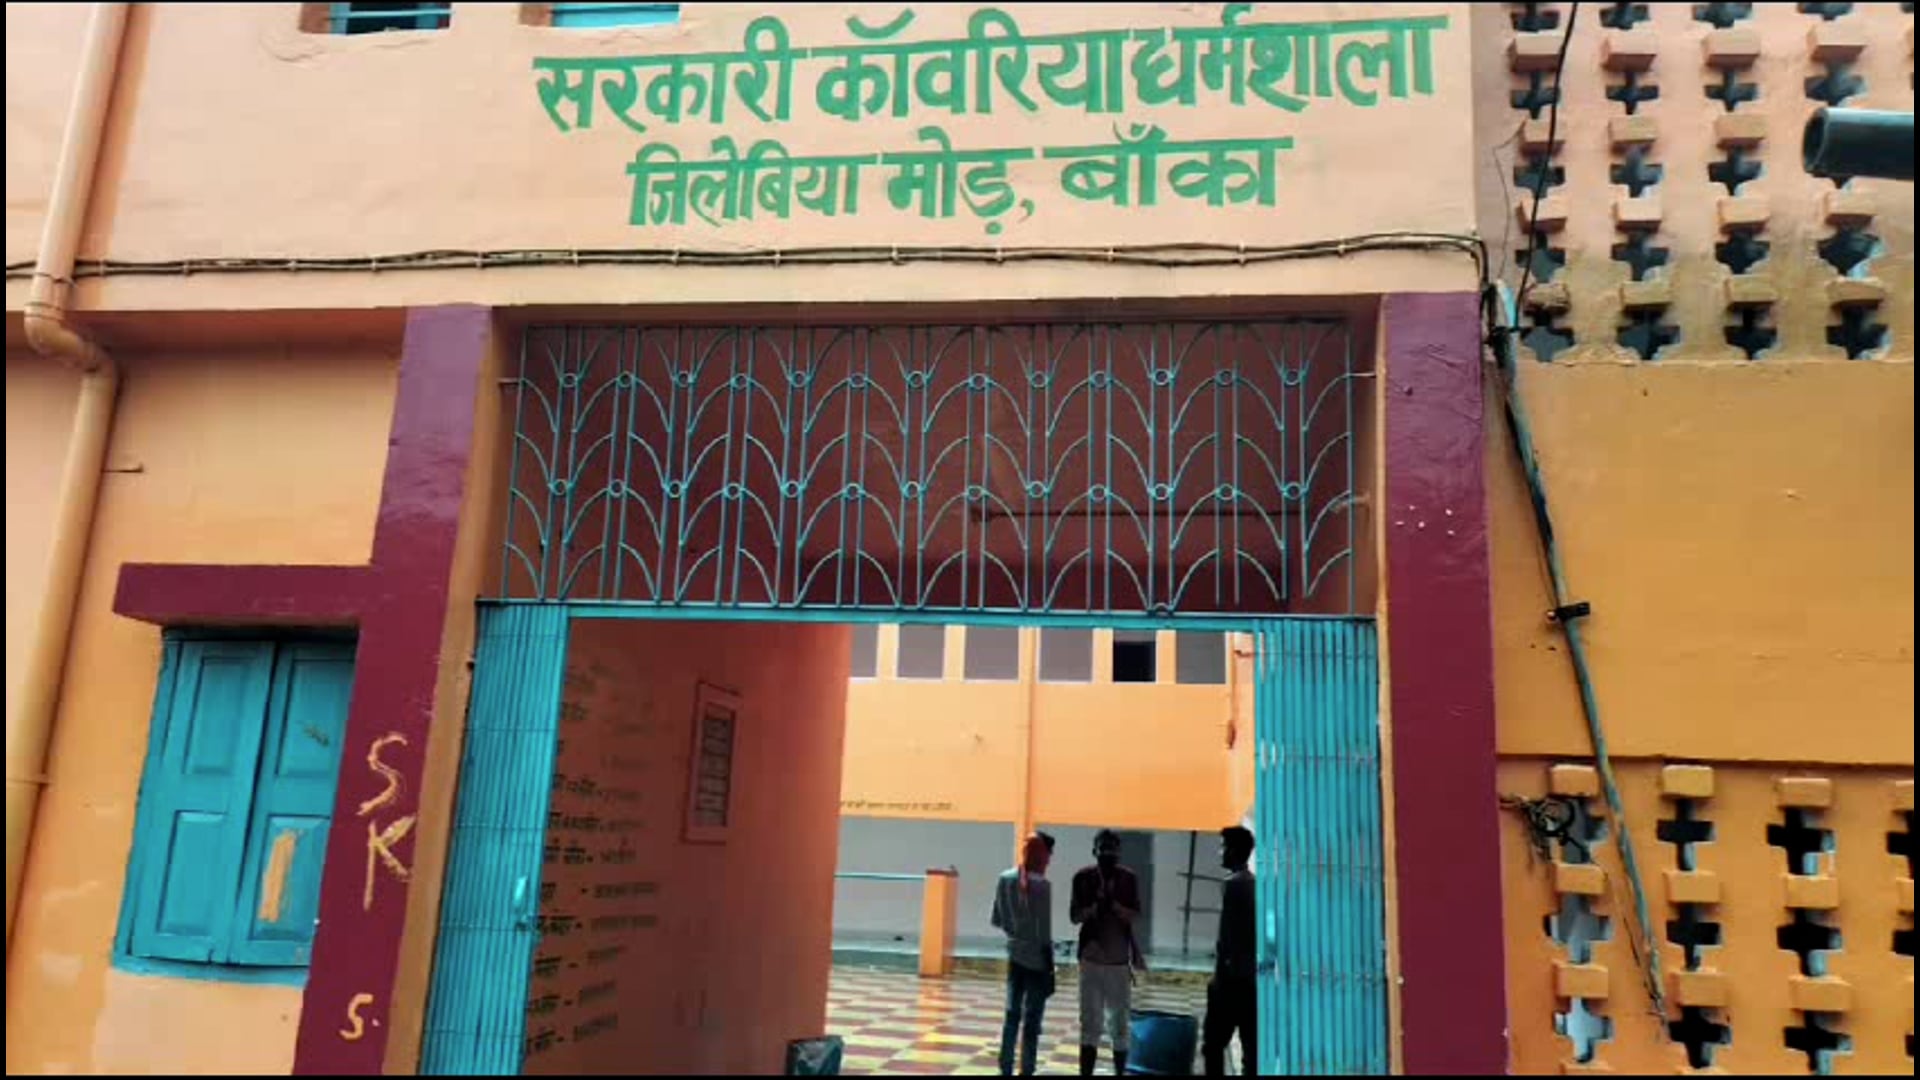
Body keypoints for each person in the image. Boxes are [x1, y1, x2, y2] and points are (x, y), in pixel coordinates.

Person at [1071, 829, 1142, 1076]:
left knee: (1119, 1026)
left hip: (1118, 963)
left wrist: (1115, 906)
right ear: (1094, 851)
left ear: (1119, 852)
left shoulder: (1128, 878)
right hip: (1091, 961)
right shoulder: (1082, 877)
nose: (1108, 853)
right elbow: (1074, 916)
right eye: (1103, 848)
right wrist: (1093, 909)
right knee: (1089, 1026)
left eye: (1112, 848)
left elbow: (1135, 914)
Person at [992, 832, 1058, 1077]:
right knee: (1032, 1021)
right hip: (1036, 962)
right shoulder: (1042, 887)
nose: (1049, 861)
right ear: (1043, 855)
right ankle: (1027, 1069)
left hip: (1014, 955)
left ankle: (1005, 1067)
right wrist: (1050, 969)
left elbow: (997, 919)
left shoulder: (1004, 878)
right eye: (1048, 855)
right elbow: (1043, 935)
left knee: (1012, 1015)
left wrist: (1016, 933)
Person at [1203, 826, 1257, 1076]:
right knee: (1251, 1051)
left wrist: (1218, 981)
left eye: (1222, 847)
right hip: (1251, 981)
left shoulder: (1232, 886)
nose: (1220, 852)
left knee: (1212, 1046)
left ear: (1233, 851)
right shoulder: (1255, 884)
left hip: (1230, 982)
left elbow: (1226, 940)